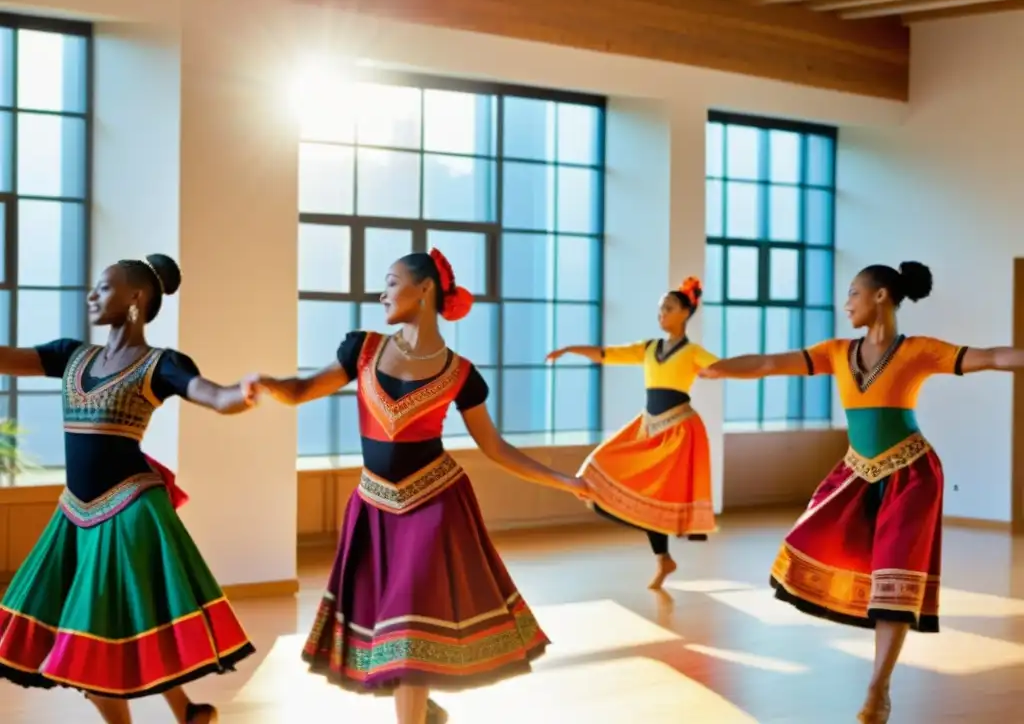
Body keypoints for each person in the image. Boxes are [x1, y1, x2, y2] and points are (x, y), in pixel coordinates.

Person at [247, 248, 590, 724]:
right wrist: (268, 384)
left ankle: (415, 710)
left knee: (409, 627)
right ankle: (423, 710)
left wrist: (564, 480)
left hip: (435, 505)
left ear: (425, 289)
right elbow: (304, 389)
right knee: (390, 629)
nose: (381, 292)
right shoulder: (361, 350)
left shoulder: (462, 374)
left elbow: (495, 447)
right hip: (373, 507)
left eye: (391, 281)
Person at [698, 260, 1024, 724]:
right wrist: (718, 370)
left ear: (881, 296)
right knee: (822, 547)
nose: (846, 302)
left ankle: (878, 689)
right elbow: (771, 363)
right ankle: (878, 684)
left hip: (911, 476)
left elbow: (992, 357)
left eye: (853, 292)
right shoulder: (835, 352)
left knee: (894, 579)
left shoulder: (920, 350)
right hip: (856, 474)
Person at [0, 254, 257, 724]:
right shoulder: (72, 355)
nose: (91, 295)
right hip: (76, 516)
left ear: (136, 298)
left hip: (130, 510)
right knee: (124, 628)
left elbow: (215, 396)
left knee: (91, 636)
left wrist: (245, 393)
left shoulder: (161, 364)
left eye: (103, 287)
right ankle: (191, 712)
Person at [546, 277, 718, 590]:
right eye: (659, 309)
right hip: (648, 426)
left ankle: (662, 557)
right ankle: (664, 558)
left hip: (678, 430)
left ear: (685, 313)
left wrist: (758, 367)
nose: (661, 314)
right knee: (596, 473)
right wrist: (570, 349)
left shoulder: (693, 352)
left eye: (668, 308)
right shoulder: (649, 348)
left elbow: (720, 368)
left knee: (658, 493)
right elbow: (606, 353)